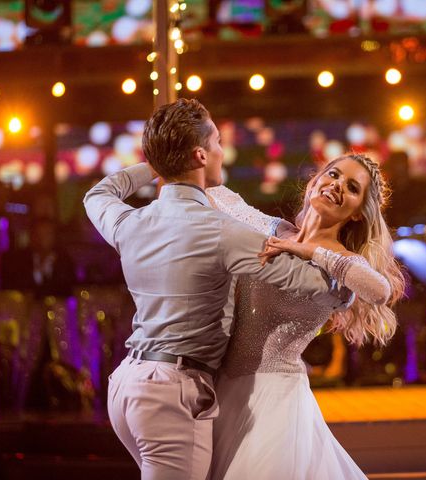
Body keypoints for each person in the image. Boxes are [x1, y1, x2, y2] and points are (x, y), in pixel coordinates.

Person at [83, 99, 352, 480]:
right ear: (199, 154)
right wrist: (346, 278)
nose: (222, 151)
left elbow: (97, 195)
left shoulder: (131, 222)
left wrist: (159, 162)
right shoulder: (222, 231)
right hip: (172, 393)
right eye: (218, 142)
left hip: (127, 386)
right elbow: (319, 287)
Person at [126, 152, 404, 478]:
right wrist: (180, 154)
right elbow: (216, 193)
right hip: (222, 390)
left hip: (275, 403)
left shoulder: (341, 266)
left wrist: (311, 250)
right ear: (315, 180)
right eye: (333, 174)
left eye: (352, 187)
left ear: (358, 213)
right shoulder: (272, 229)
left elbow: (379, 290)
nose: (336, 185)